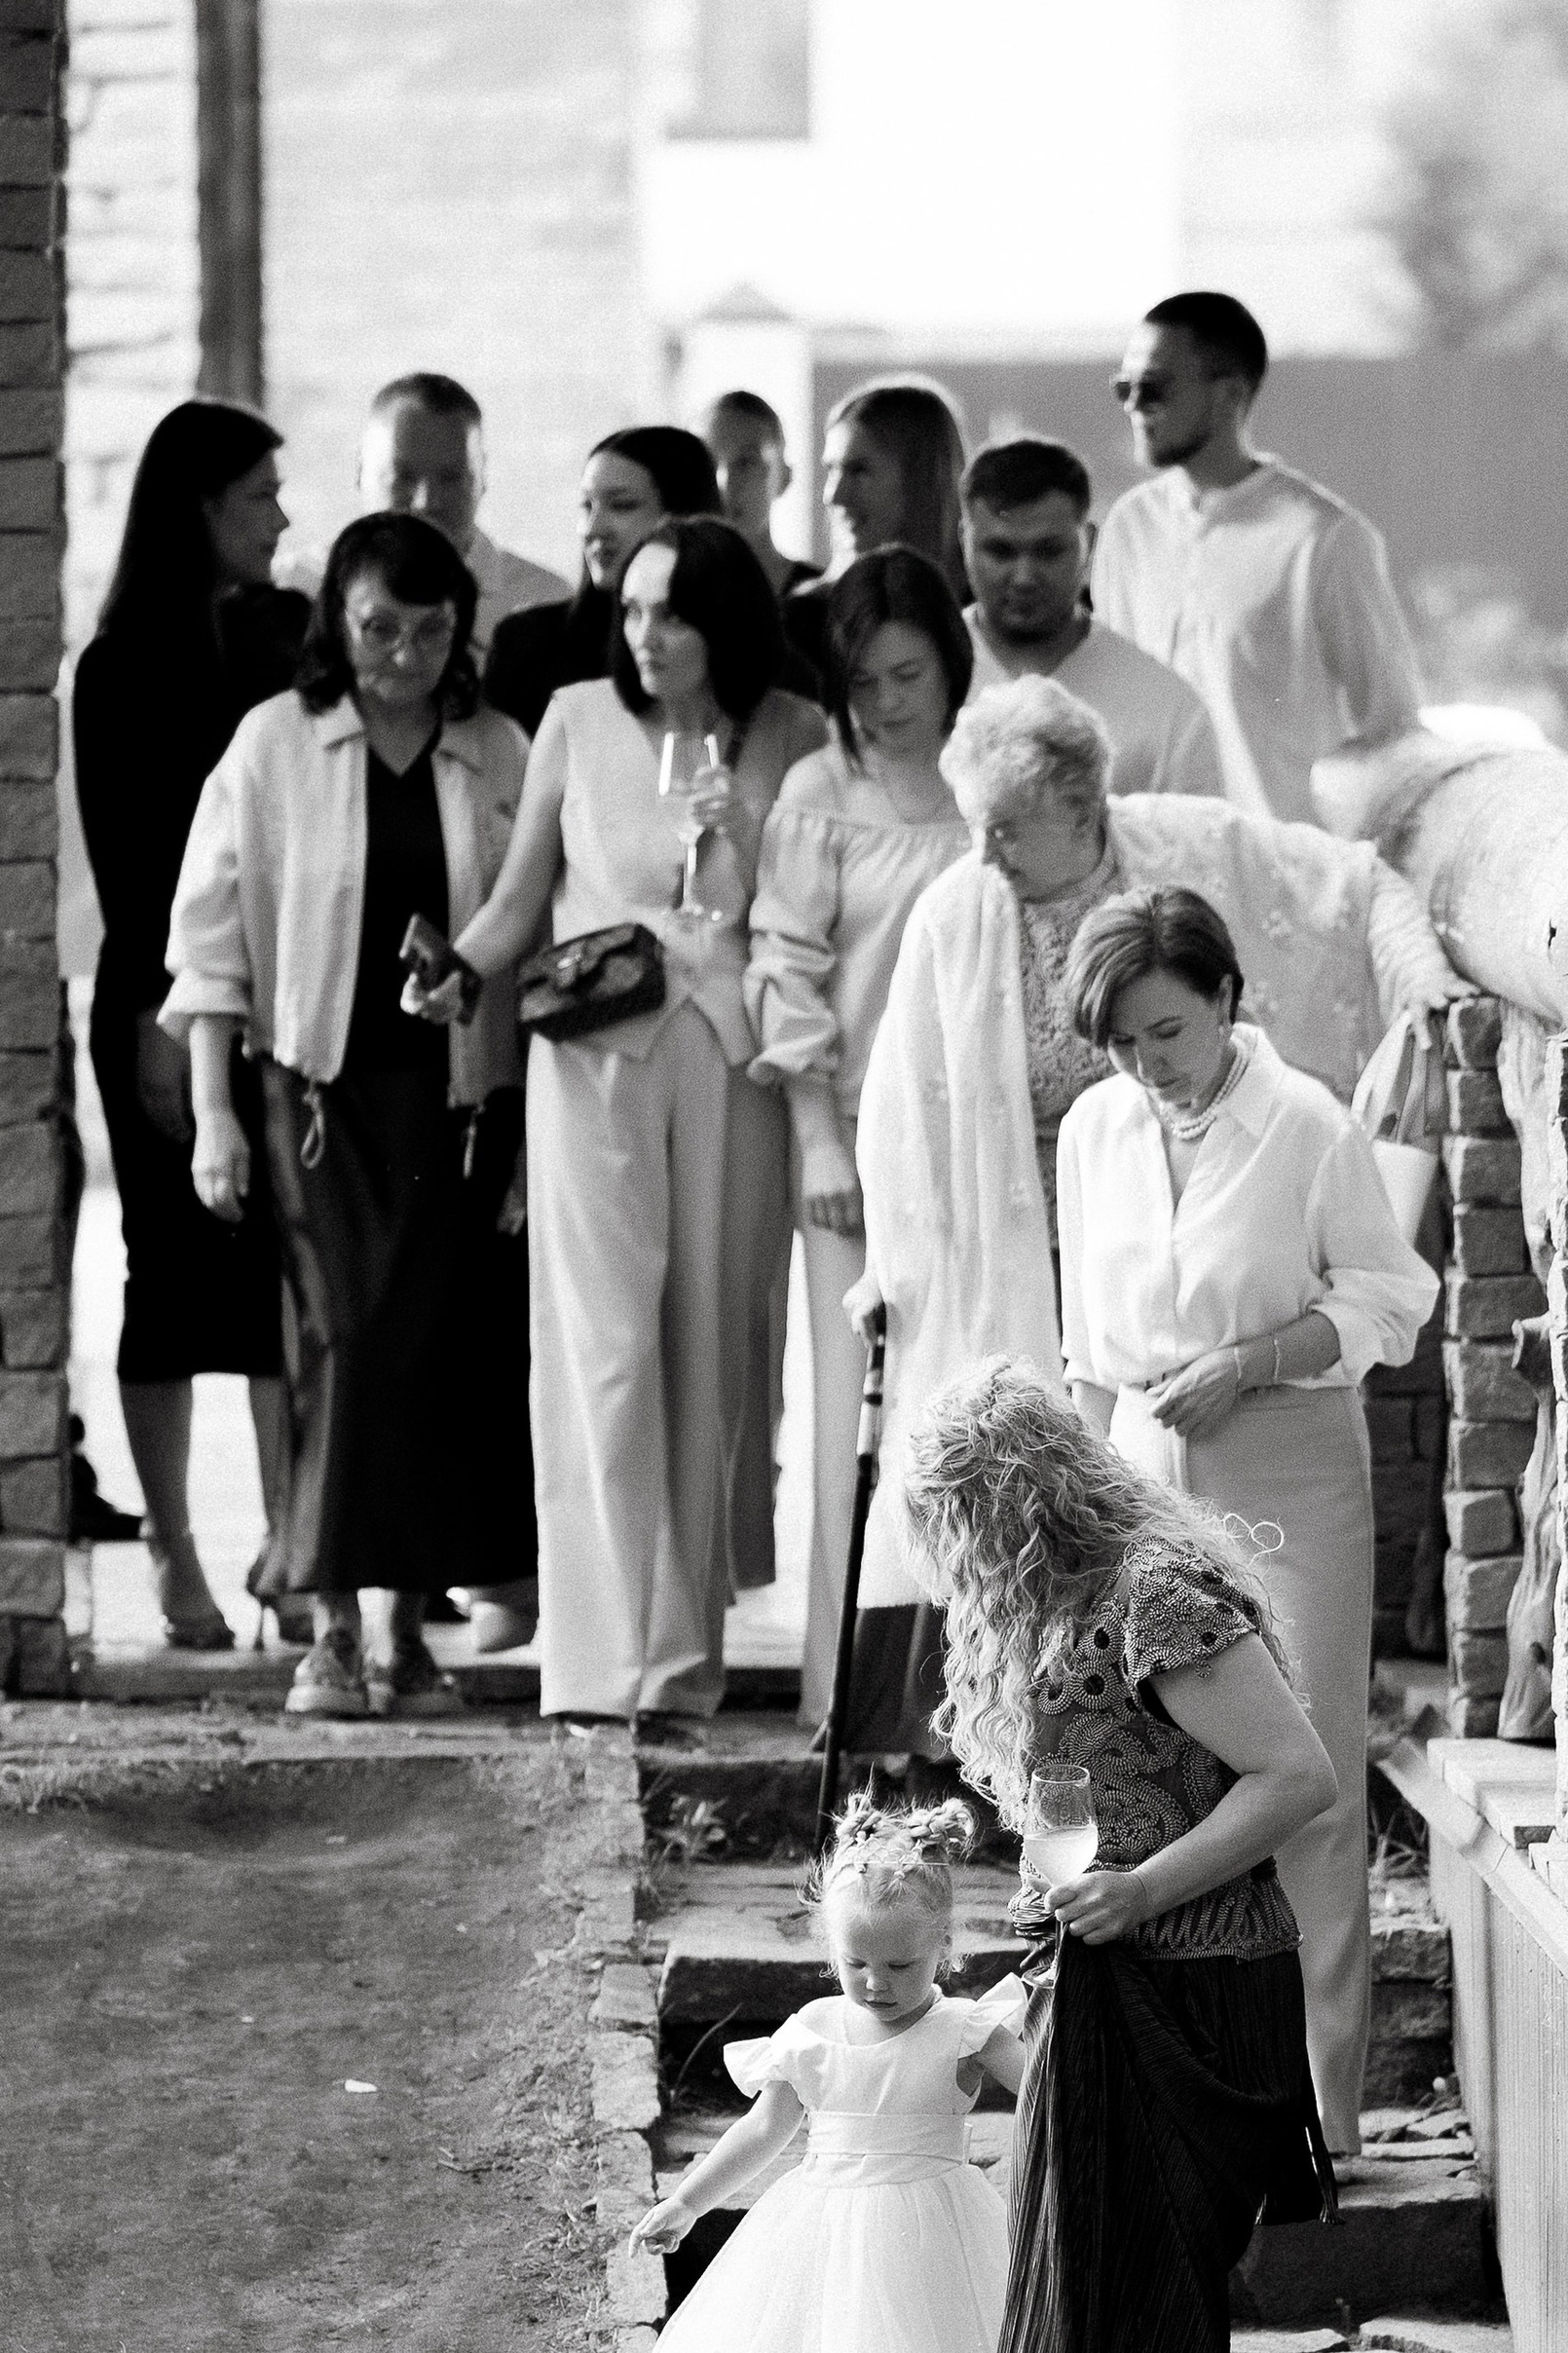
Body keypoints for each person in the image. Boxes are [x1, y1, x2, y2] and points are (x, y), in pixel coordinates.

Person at [906, 1360, 1337, 2353]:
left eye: (962, 1526)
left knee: (1154, 2344)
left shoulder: (1157, 1593)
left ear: (1014, 1508)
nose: (955, 1562)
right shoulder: (1053, 1607)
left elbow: (1296, 1778)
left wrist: (1141, 1888)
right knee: (1076, 2327)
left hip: (1201, 2000)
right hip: (1094, 1993)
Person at [849, 680, 1454, 1669]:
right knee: (1022, 1504)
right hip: (1019, 1244)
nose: (982, 853)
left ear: (1082, 810)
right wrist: (891, 1260)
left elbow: (1350, 884)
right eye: (975, 827)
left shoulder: (1185, 851)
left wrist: (1422, 985)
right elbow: (900, 1112)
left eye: (1005, 828)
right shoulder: (956, 909)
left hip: (1195, 1223)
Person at [1059, 887, 1437, 2154]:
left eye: (1164, 1032)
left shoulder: (1307, 1124)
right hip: (1138, 1479)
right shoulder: (1095, 1132)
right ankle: (1177, 2101)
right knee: (1162, 1776)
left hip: (1288, 1472)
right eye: (1119, 1043)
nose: (1144, 1065)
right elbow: (1086, 1353)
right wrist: (1088, 1514)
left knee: (1307, 1784)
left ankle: (1321, 2128)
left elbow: (1392, 1299)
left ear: (1225, 1000)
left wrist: (1255, 1362)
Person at [437, 517, 828, 1731]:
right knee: (598, 1351)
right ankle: (596, 1663)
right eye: (635, 608)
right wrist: (456, 977)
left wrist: (748, 829)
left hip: (729, 1057)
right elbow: (517, 900)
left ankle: (680, 1659)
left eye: (672, 612)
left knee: (710, 1350)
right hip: (592, 1057)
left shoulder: (793, 732)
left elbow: (800, 906)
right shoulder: (573, 716)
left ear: (727, 624)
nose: (644, 634)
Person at [163, 512, 534, 1719]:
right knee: (343, 1345)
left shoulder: (497, 748)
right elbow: (209, 947)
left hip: (456, 1104)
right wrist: (214, 1115)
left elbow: (536, 931)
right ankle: (325, 1623)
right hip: (314, 1097)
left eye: (433, 631)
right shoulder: (274, 744)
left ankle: (406, 1635)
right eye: (380, 626)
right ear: (337, 618)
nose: (406, 655)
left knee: (429, 1363)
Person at [615, 1799, 1027, 2353]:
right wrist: (686, 2200)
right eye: (856, 1964)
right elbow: (765, 2130)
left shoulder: (965, 2028)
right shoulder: (812, 2032)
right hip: (835, 2238)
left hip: (935, 2233)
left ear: (945, 1951)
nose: (876, 1983)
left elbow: (1051, 2098)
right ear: (828, 1952)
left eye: (902, 1966)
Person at [71, 398, 305, 1648]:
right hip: (157, 1001)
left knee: (280, 1278)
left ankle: (289, 1540)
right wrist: (170, 1022)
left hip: (278, 1001)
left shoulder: (285, 637)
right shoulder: (117, 667)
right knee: (165, 1277)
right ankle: (171, 1546)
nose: (282, 515)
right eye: (261, 495)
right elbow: (130, 863)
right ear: (200, 508)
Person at [747, 549, 973, 1729]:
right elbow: (782, 968)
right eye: (864, 681)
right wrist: (815, 1141)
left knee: (968, 1419)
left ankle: (960, 1707)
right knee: (856, 1421)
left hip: (976, 1151)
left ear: (949, 661)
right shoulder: (815, 789)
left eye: (907, 673)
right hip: (847, 1147)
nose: (888, 703)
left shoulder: (988, 778)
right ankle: (850, 1701)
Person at [1094, 291, 1423, 826]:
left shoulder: (1324, 540)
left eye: (1152, 388)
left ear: (1228, 396)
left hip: (1284, 878)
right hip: (1150, 875)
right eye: (1123, 388)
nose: (1133, 405)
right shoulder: (1128, 529)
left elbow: (1394, 733)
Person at [961, 435, 1218, 800]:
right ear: (964, 542)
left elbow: (1199, 852)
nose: (1023, 576)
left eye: (1048, 551)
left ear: (1090, 544)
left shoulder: (1168, 709)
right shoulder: (903, 681)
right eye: (1000, 551)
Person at [482, 425, 724, 740]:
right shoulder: (528, 643)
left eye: (621, 505)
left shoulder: (754, 652)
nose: (593, 527)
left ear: (684, 514)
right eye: (587, 505)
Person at [357, 370, 564, 654]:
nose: (425, 502)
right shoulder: (301, 590)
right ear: (359, 473)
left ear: (482, 477)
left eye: (451, 477)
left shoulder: (546, 606)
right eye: (403, 477)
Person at [782, 377, 969, 681]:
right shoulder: (807, 622)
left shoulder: (986, 611)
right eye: (831, 470)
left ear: (922, 479)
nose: (833, 495)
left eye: (858, 471)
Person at [704, 387, 818, 603]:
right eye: (708, 463)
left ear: (784, 477)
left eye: (746, 463)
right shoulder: (663, 598)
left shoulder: (823, 601)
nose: (724, 483)